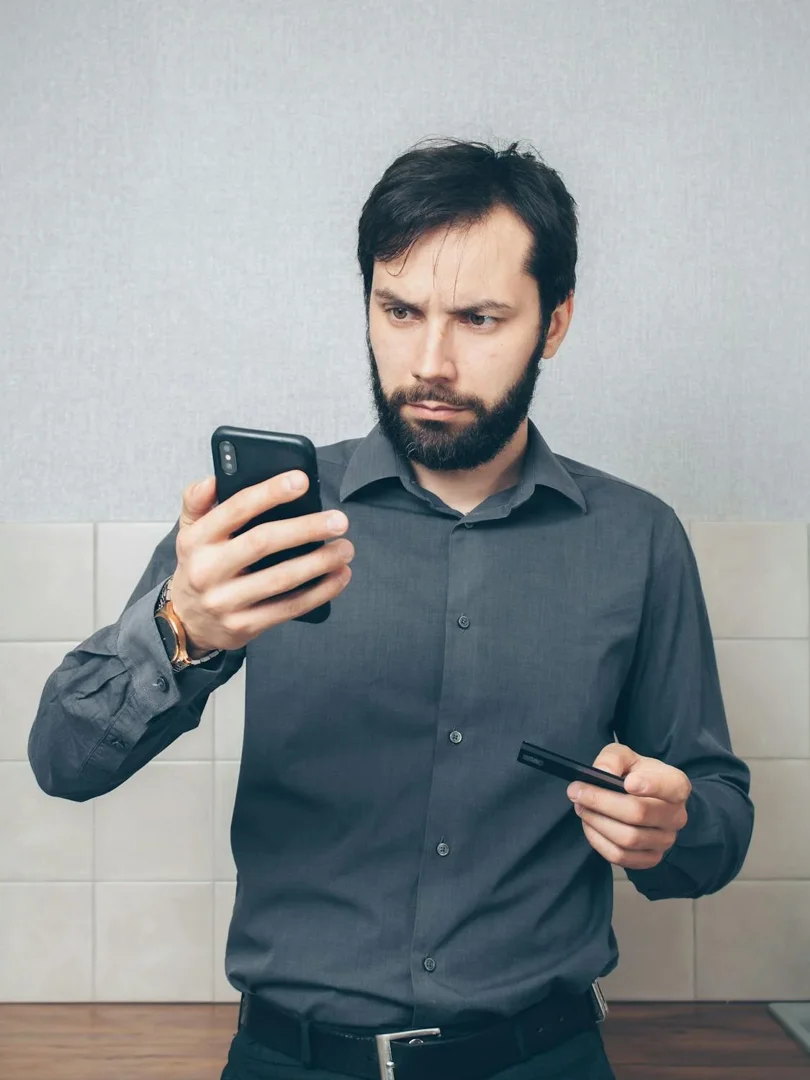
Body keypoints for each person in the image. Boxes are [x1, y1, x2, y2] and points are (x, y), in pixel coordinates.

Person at [29, 138, 754, 1080]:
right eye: (398, 311)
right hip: (288, 1059)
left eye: (481, 318)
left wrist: (674, 827)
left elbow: (716, 829)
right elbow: (63, 761)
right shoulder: (263, 519)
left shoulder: (638, 538)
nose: (431, 361)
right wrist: (182, 632)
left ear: (556, 321)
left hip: (545, 1057)